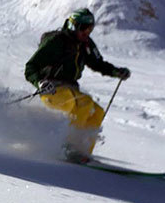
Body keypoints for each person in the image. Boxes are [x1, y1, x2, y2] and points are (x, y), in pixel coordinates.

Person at [24, 8, 131, 162]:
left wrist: (116, 72)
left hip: (70, 88)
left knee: (97, 111)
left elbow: (97, 63)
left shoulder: (85, 44)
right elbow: (31, 67)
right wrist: (40, 81)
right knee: (81, 104)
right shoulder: (56, 41)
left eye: (90, 29)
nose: (86, 32)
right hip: (52, 88)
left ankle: (83, 152)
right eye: (83, 28)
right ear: (73, 26)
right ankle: (68, 148)